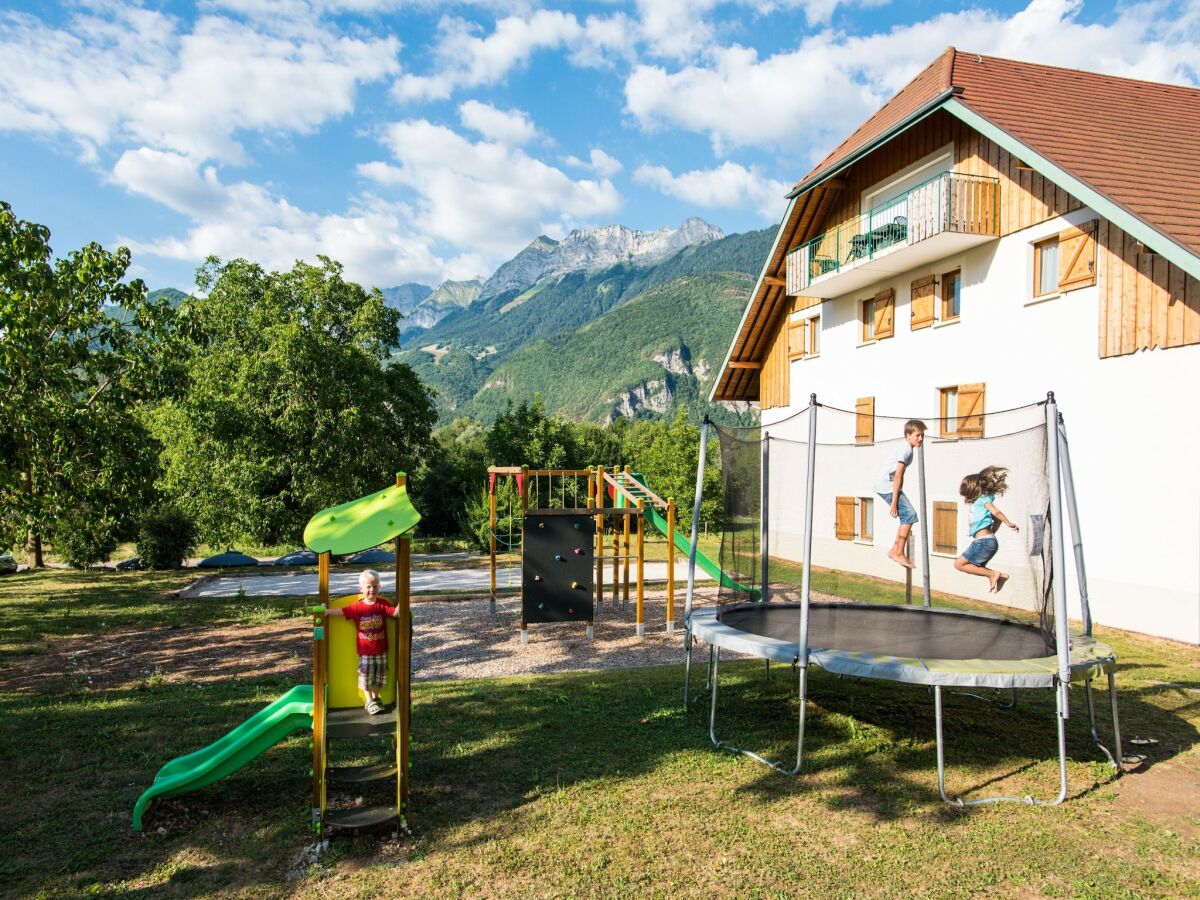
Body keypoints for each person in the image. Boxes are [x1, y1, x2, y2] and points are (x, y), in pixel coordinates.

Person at [325, 569, 399, 714]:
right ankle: (368, 700)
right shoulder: (358, 607)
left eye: (375, 586)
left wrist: (404, 601)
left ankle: (376, 698)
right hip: (365, 652)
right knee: (366, 677)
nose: (372, 590)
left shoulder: (382, 604)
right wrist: (327, 612)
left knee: (380, 676)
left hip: (381, 650)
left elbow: (394, 613)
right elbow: (342, 611)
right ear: (361, 588)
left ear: (379, 587)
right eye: (368, 587)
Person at [954, 465, 1019, 593]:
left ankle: (993, 575)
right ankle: (998, 576)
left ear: (972, 490)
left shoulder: (982, 500)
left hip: (983, 542)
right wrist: (991, 534)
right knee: (975, 567)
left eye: (965, 494)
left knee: (959, 564)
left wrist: (1009, 523)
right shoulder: (977, 503)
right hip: (986, 541)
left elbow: (997, 513)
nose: (965, 498)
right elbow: (997, 520)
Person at [876, 419, 926, 569]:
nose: (921, 439)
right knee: (909, 515)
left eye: (922, 435)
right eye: (917, 435)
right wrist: (894, 503)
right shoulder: (906, 450)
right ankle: (898, 552)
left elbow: (899, 477)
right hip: (887, 486)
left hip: (889, 485)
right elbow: (898, 476)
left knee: (907, 516)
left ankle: (894, 549)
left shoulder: (907, 449)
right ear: (908, 435)